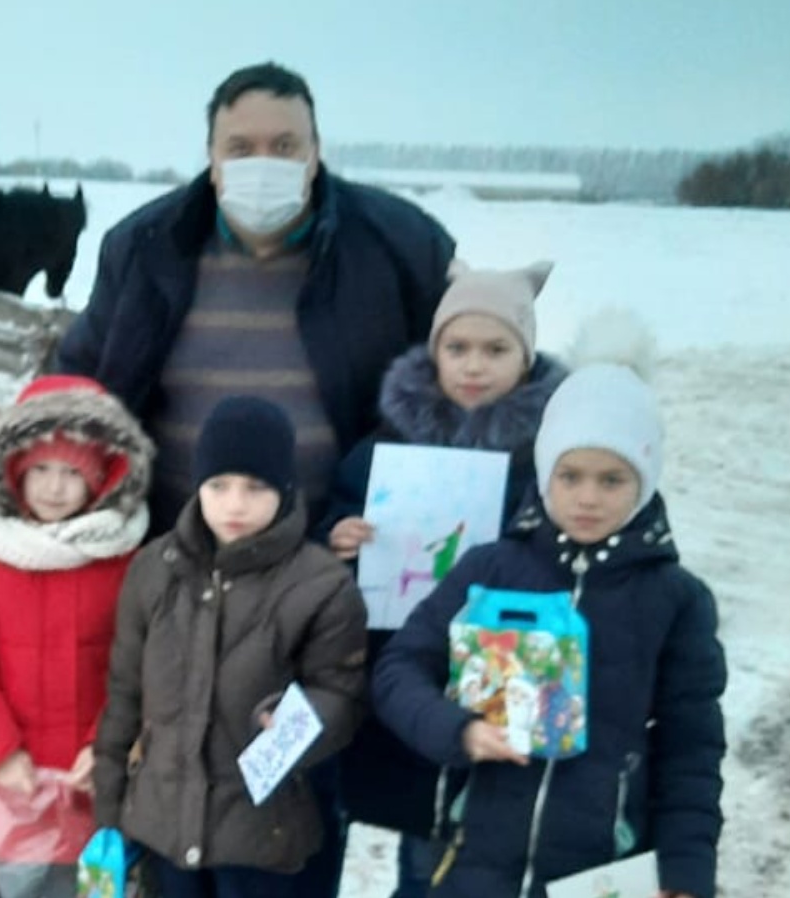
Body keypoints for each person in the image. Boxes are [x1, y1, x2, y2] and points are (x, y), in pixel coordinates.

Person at [371, 320, 728, 898]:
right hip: (472, 860)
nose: (587, 497)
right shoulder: (489, 569)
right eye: (570, 475)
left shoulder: (676, 600)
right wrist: (458, 731)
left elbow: (692, 747)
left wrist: (685, 870)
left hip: (598, 871)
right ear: (544, 471)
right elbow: (399, 671)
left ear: (644, 480)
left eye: (612, 480)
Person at [56, 60, 459, 539]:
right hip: (172, 554)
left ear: (315, 154)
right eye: (241, 149)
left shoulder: (398, 243)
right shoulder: (146, 248)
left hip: (337, 555)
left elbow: (470, 375)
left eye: (284, 147)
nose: (264, 165)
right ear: (212, 159)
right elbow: (79, 381)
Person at [314, 260, 569, 897]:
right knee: (418, 825)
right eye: (457, 348)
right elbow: (339, 508)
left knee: (484, 833)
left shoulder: (549, 453)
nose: (474, 366)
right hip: (408, 671)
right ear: (435, 354)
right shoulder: (388, 442)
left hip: (508, 671)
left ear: (526, 357)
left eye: (495, 349)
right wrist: (339, 534)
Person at [92, 396, 369, 898]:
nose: (235, 504)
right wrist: (109, 807)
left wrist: (298, 721)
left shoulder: (322, 585)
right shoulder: (154, 570)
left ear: (285, 488)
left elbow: (341, 692)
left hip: (265, 834)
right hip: (164, 825)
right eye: (219, 485)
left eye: (255, 487)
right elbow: (125, 694)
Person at [0, 374, 156, 896]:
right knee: (21, 887)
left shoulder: (123, 558)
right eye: (41, 470)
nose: (54, 488)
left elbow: (138, 658)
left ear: (102, 475)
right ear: (13, 468)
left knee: (95, 887)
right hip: (13, 779)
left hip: (94, 779)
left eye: (72, 472)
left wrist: (106, 745)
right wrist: (0, 749)